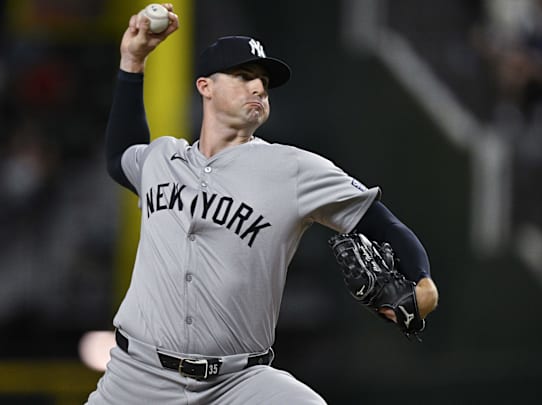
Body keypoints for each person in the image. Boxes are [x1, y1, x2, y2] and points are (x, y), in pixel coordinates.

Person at [86, 4, 439, 404]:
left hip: (237, 385)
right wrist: (133, 61)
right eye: (243, 76)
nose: (257, 88)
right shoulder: (163, 159)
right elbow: (121, 157)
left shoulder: (292, 169)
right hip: (136, 379)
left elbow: (383, 225)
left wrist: (424, 285)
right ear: (205, 86)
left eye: (263, 82)